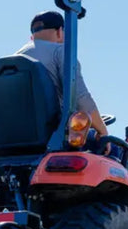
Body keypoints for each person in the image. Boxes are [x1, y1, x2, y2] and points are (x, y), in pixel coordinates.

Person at [14, 10, 110, 144]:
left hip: (15, 140)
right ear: (60, 31)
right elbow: (80, 98)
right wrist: (102, 131)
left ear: (32, 37)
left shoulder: (13, 60)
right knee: (115, 149)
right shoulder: (61, 52)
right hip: (53, 139)